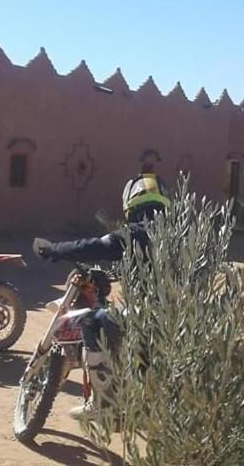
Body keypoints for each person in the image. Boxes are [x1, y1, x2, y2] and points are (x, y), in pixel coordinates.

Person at [36, 170, 170, 421]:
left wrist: (54, 250)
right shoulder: (182, 233)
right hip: (185, 314)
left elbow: (94, 247)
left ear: (131, 202)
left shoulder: (137, 232)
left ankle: (103, 403)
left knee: (94, 321)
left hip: (152, 314)